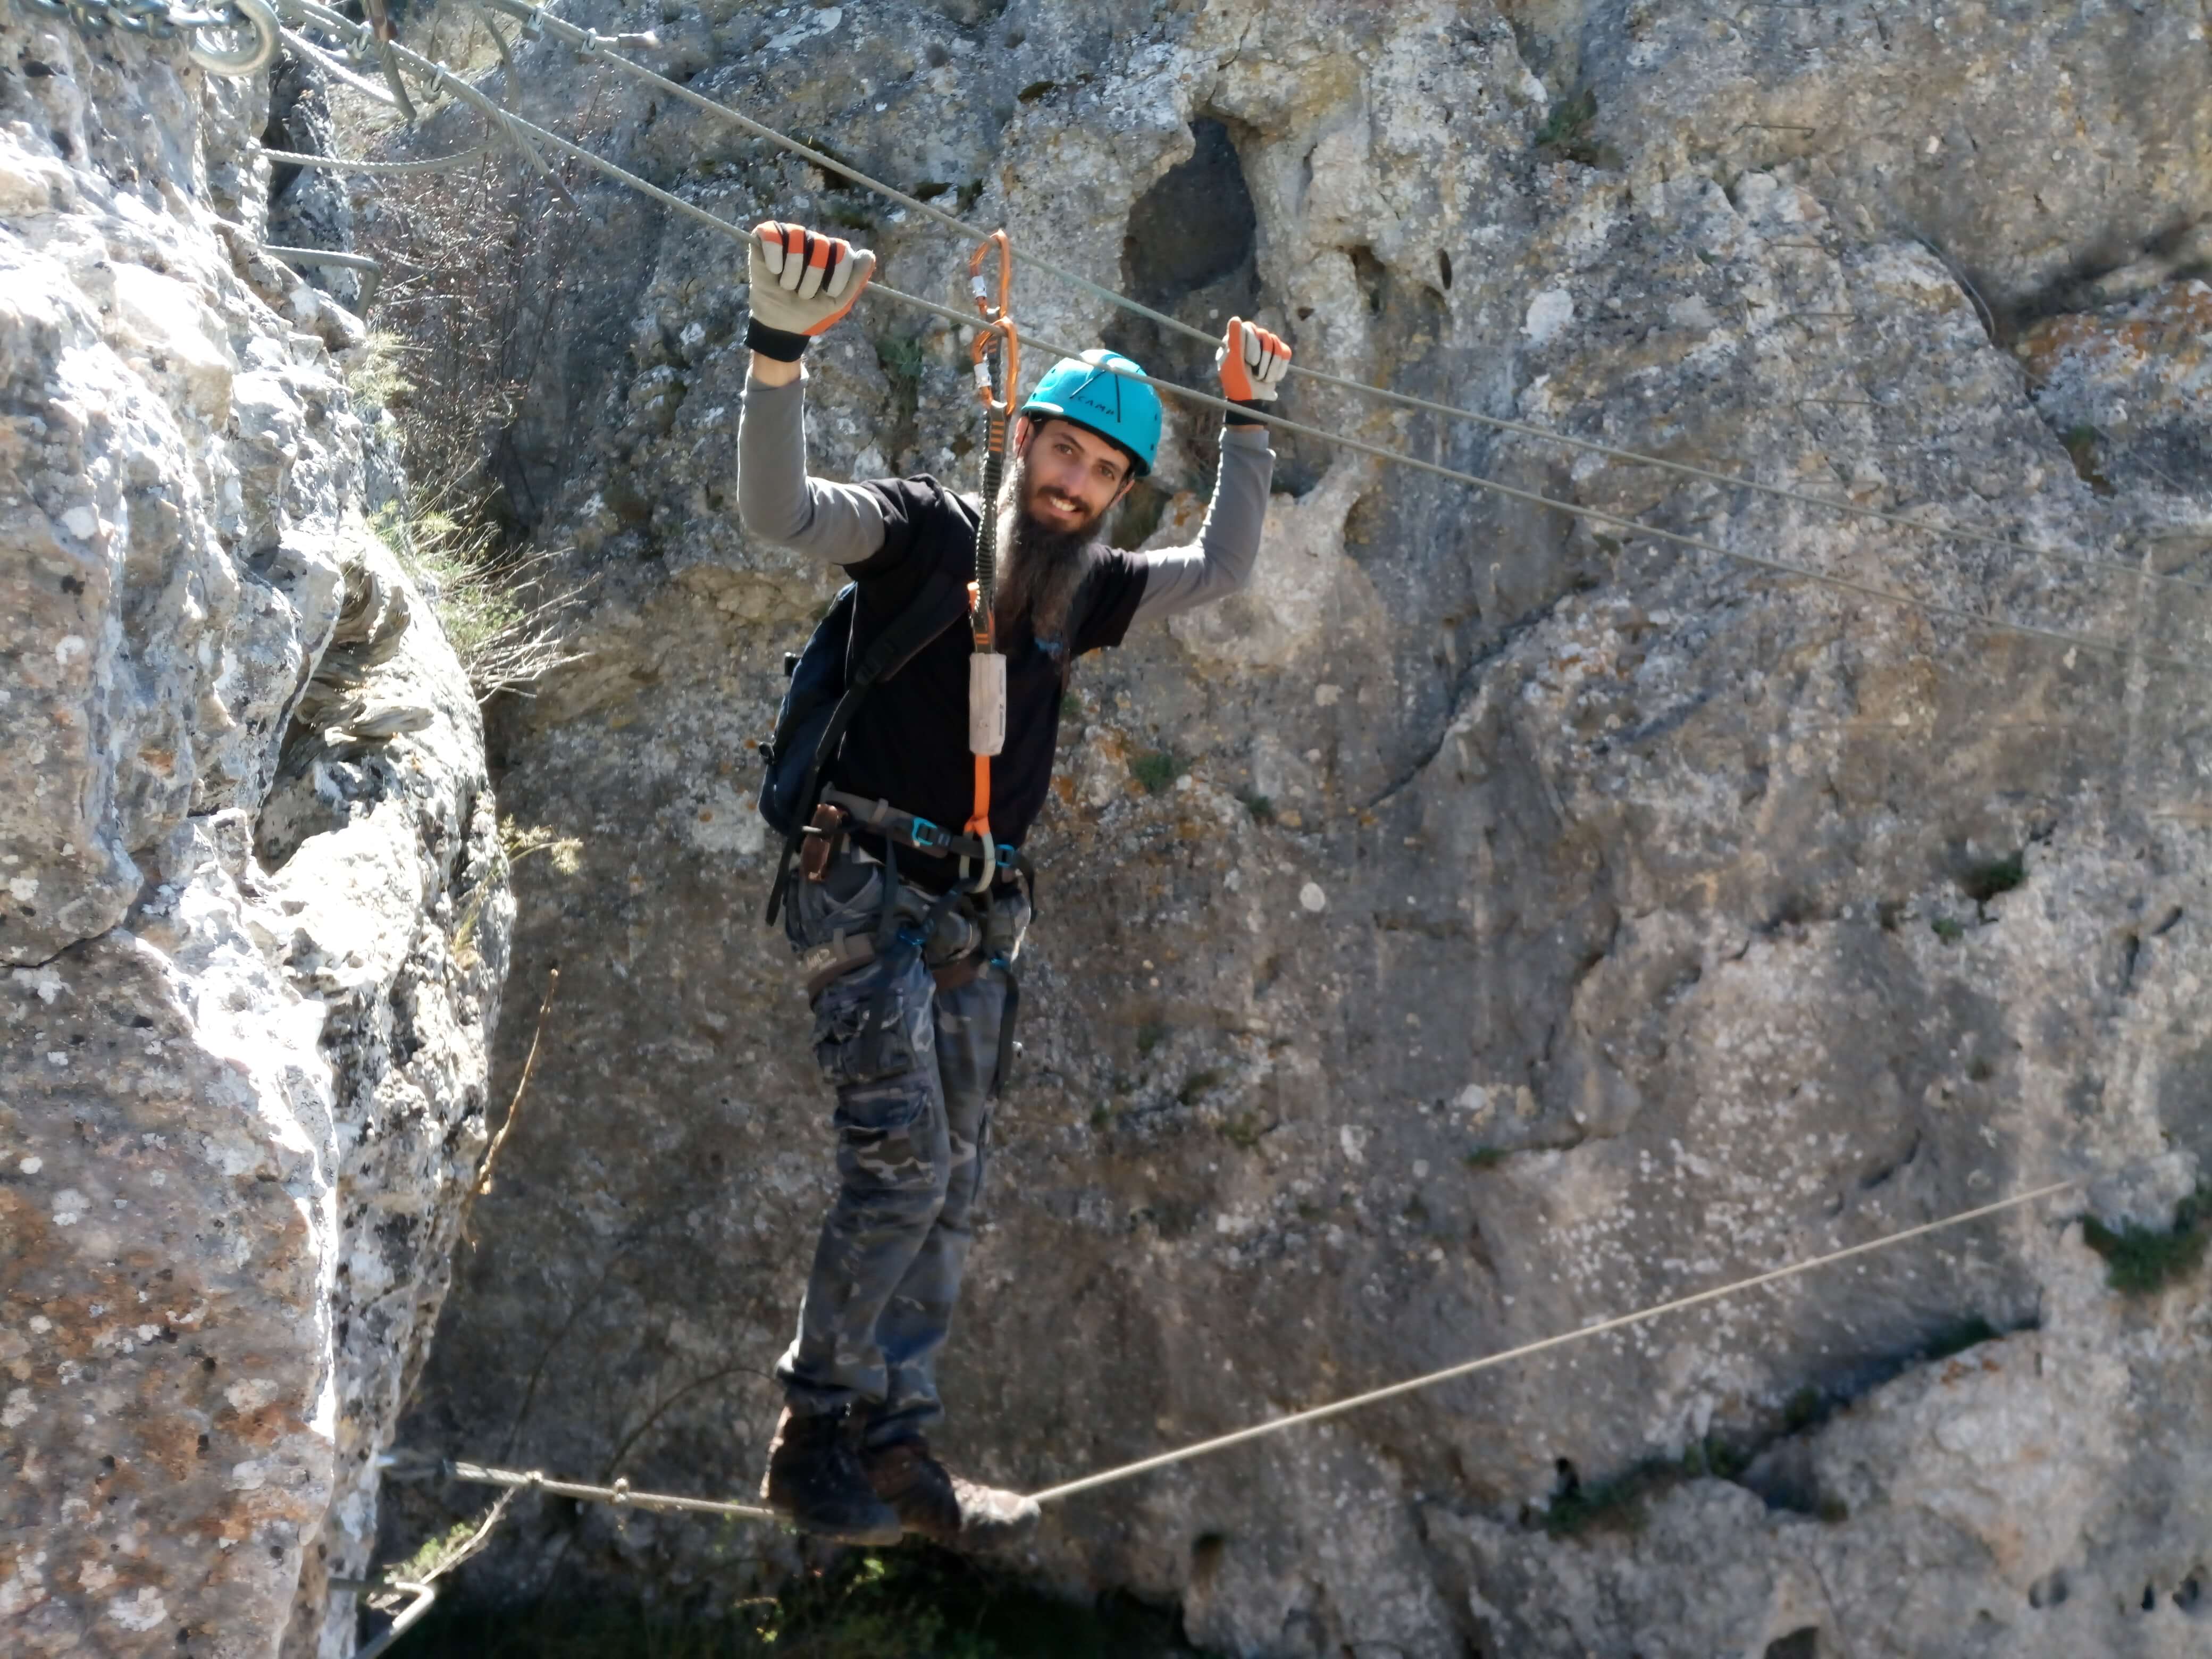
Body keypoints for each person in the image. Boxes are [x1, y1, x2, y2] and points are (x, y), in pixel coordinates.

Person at [735, 220, 1291, 1546]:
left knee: (956, 1178)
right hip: (865, 889)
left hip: (974, 910)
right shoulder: (924, 532)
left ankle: (896, 1439)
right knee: (902, 1166)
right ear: (1025, 439)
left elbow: (1217, 571)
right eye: (1062, 452)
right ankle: (811, 1430)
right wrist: (777, 359)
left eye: (1102, 473)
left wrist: (1250, 424)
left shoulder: (1083, 590)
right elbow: (779, 511)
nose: (1075, 484)